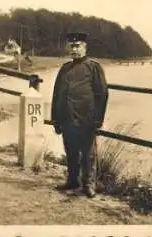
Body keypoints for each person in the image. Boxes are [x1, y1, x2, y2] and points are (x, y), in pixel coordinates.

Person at [50, 31, 109, 198]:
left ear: (85, 47)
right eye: (72, 46)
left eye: (77, 46)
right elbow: (56, 94)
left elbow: (102, 94)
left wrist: (98, 118)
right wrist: (56, 118)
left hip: (86, 119)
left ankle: (89, 184)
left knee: (88, 153)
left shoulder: (94, 67)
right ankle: (72, 180)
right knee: (71, 151)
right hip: (67, 117)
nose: (74, 49)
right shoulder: (65, 69)